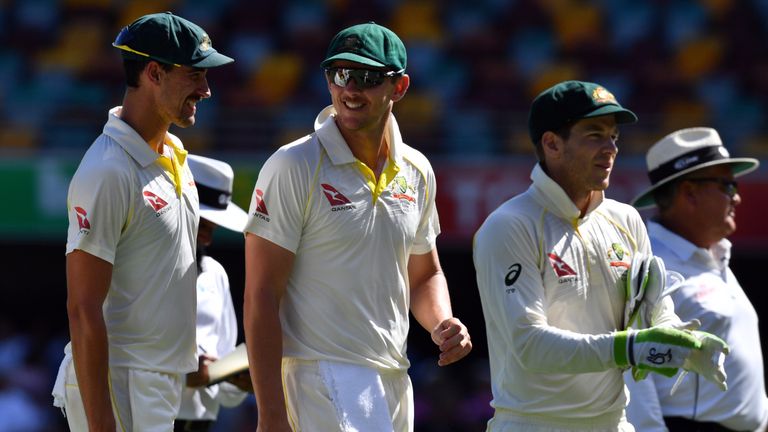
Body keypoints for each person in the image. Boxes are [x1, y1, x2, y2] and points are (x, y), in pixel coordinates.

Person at [242, 22, 472, 431]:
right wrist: (271, 413)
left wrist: (442, 322)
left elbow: (424, 274)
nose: (349, 89)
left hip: (394, 375)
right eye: (339, 74)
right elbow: (261, 294)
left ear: (399, 87)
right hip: (318, 372)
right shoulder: (293, 165)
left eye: (366, 78)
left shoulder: (417, 169)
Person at [472, 80, 729, 432]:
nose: (611, 148)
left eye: (614, 137)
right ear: (552, 144)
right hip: (533, 424)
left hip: (614, 423)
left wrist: (679, 340)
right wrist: (632, 347)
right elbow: (530, 346)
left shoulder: (626, 220)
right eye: (594, 135)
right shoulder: (509, 225)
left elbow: (653, 314)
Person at [51, 12, 233, 431]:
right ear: (154, 72)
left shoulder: (175, 155)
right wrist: (101, 424)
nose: (205, 89)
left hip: (154, 383)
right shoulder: (108, 170)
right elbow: (82, 308)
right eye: (194, 75)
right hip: (120, 385)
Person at [625, 127, 768, 432]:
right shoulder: (648, 262)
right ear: (689, 192)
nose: (738, 197)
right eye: (728, 186)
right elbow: (630, 370)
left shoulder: (714, 256)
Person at [175, 154, 252, 432]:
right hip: (145, 414)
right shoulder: (138, 267)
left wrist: (240, 380)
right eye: (203, 225)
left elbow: (223, 358)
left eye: (213, 228)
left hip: (200, 421)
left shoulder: (215, 272)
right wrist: (184, 372)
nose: (207, 238)